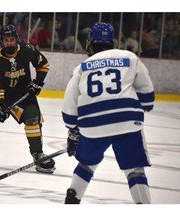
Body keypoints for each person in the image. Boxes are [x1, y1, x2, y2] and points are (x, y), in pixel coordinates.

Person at [62, 22, 155, 204]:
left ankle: (71, 202)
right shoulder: (129, 57)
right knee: (135, 170)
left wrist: (73, 131)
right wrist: (143, 103)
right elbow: (147, 95)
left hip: (92, 125)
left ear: (91, 42)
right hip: (126, 121)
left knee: (87, 164)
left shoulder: (83, 67)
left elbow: (69, 106)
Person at [0, 24, 55, 174]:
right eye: (6, 40)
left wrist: (37, 83)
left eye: (12, 39)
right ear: (1, 42)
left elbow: (43, 64)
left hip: (26, 93)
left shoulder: (26, 50)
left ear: (17, 39)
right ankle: (38, 153)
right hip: (10, 99)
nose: (9, 43)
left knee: (34, 119)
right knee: (31, 118)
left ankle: (38, 153)